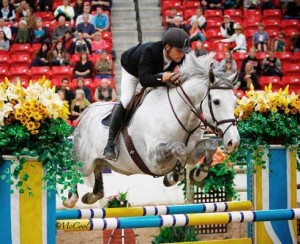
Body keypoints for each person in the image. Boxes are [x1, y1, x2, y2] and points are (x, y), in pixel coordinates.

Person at [103, 27, 190, 160]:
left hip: (153, 72)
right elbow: (144, 80)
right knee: (127, 100)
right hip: (132, 70)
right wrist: (163, 77)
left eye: (184, 52)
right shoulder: (150, 52)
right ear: (167, 47)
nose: (182, 55)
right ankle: (109, 144)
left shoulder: (179, 57)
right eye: (179, 51)